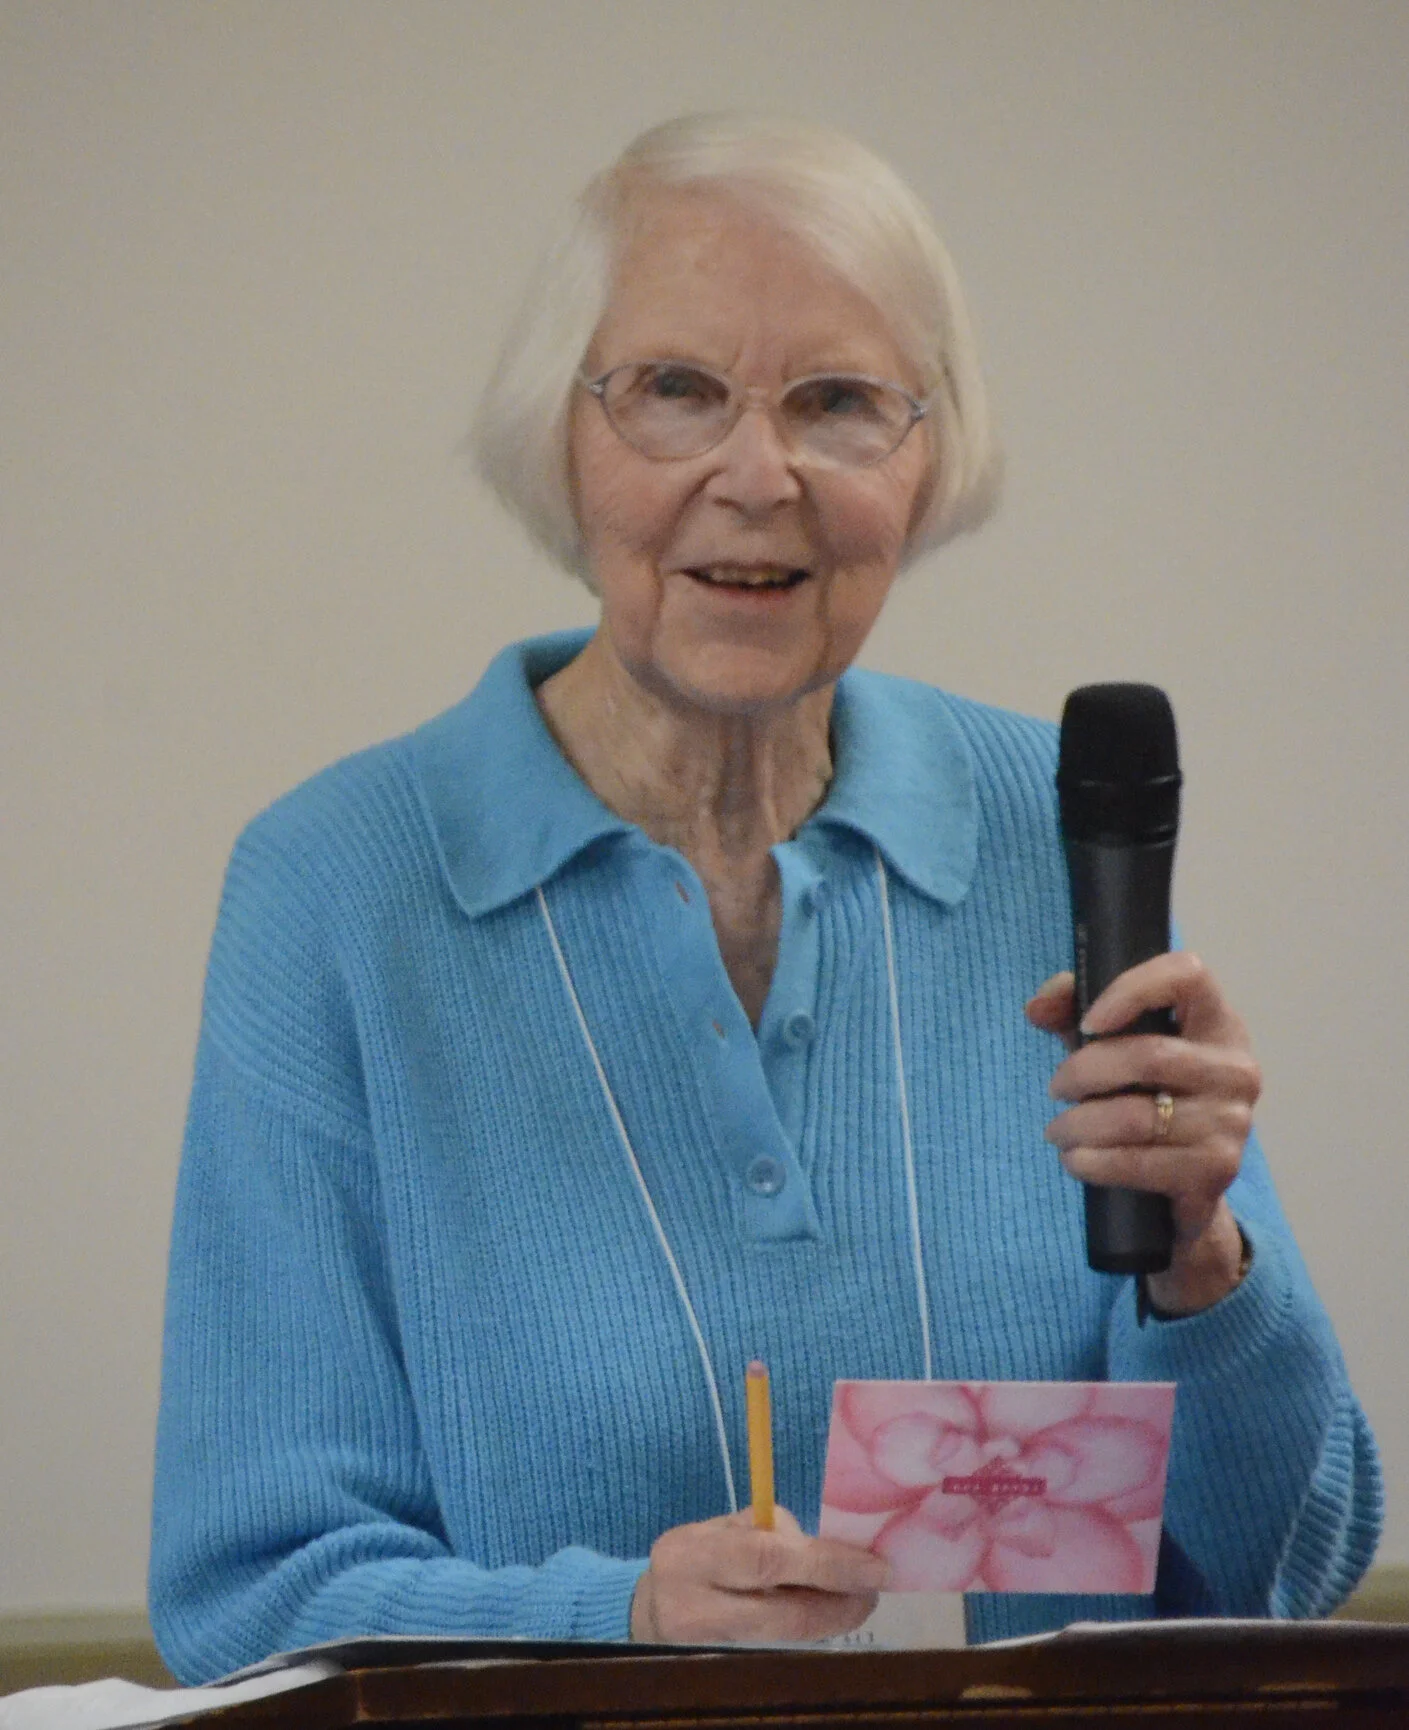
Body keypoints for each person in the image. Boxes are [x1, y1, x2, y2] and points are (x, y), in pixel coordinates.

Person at [149, 114, 1380, 1684]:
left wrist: (1206, 1266)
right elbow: (251, 1593)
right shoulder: (339, 889)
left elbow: (1289, 1559)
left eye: (839, 402)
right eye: (674, 390)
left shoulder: (1049, 824)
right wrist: (627, 1623)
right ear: (561, 438)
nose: (757, 474)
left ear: (931, 461)